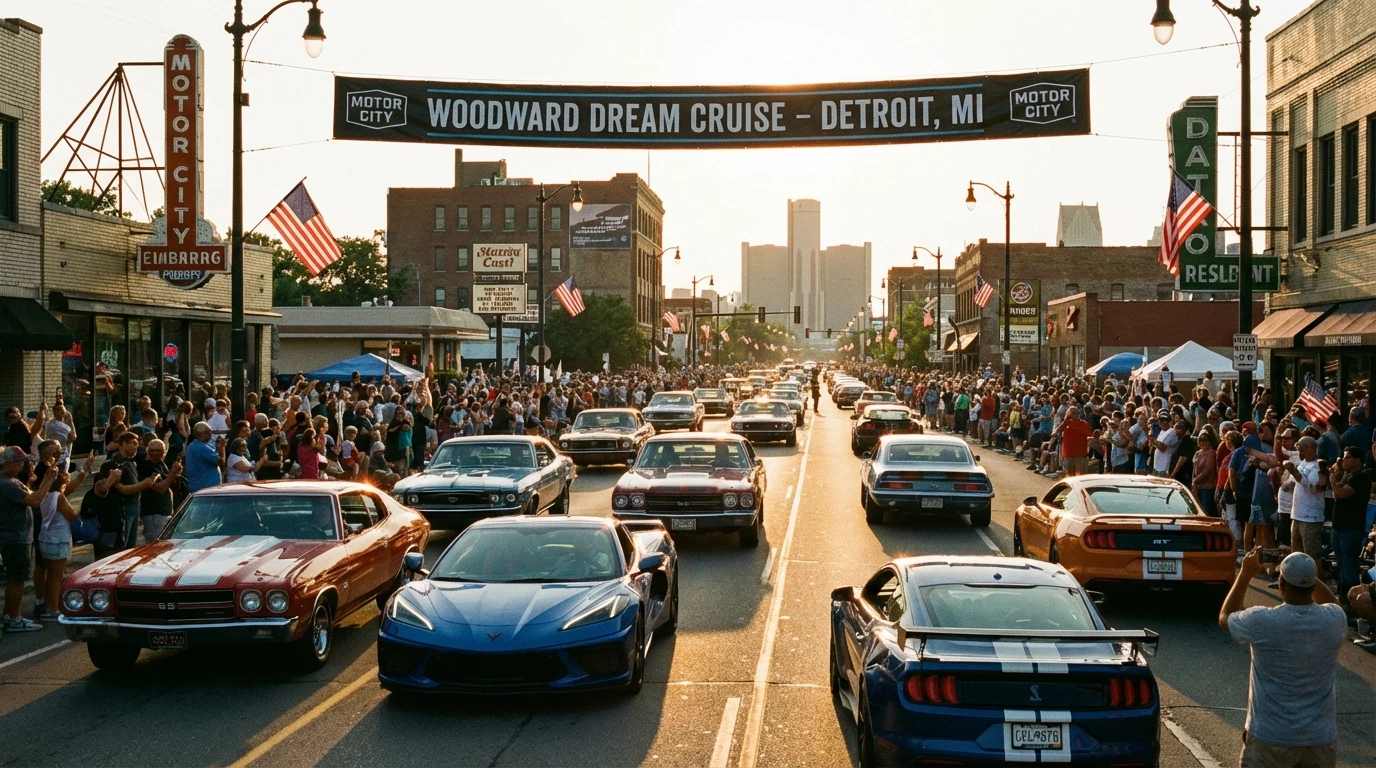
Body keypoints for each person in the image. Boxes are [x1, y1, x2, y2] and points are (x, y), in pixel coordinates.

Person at [1220, 549, 1346, 766]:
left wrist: (1245, 574)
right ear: (1311, 584)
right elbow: (1334, 603)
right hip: (1319, 739)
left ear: (1281, 583)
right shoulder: (1334, 620)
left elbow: (1225, 618)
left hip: (1269, 736)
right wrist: (1305, 572)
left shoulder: (1262, 620)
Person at [1, 446, 56, 632]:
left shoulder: (11, 481)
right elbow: (34, 500)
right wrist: (48, 480)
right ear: (6, 463)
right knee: (17, 579)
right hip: (15, 538)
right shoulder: (7, 483)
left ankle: (10, 616)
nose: (22, 464)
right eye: (18, 461)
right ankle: (14, 618)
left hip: (15, 536)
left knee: (15, 578)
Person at [1328, 445, 1371, 600]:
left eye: (1347, 457)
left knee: (1349, 567)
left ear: (1357, 460)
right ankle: (1342, 598)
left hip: (1351, 529)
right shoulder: (1348, 476)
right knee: (1341, 566)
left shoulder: (1361, 478)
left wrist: (1332, 478)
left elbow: (1340, 493)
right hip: (1339, 527)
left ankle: (1351, 600)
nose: (1344, 460)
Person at [1284, 436, 1327, 577]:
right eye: (1298, 448)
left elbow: (1314, 489)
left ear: (1312, 448)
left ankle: (1319, 587)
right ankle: (1295, 582)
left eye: (1302, 448)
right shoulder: (1303, 464)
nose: (1299, 451)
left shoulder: (1317, 467)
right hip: (1297, 514)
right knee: (1296, 554)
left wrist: (1294, 473)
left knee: (1312, 556)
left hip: (1311, 518)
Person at [184, 422, 222, 493]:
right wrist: (222, 447)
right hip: (205, 489)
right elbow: (220, 461)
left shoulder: (192, 446)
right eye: (210, 433)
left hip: (200, 488)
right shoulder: (201, 447)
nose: (211, 436)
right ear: (204, 434)